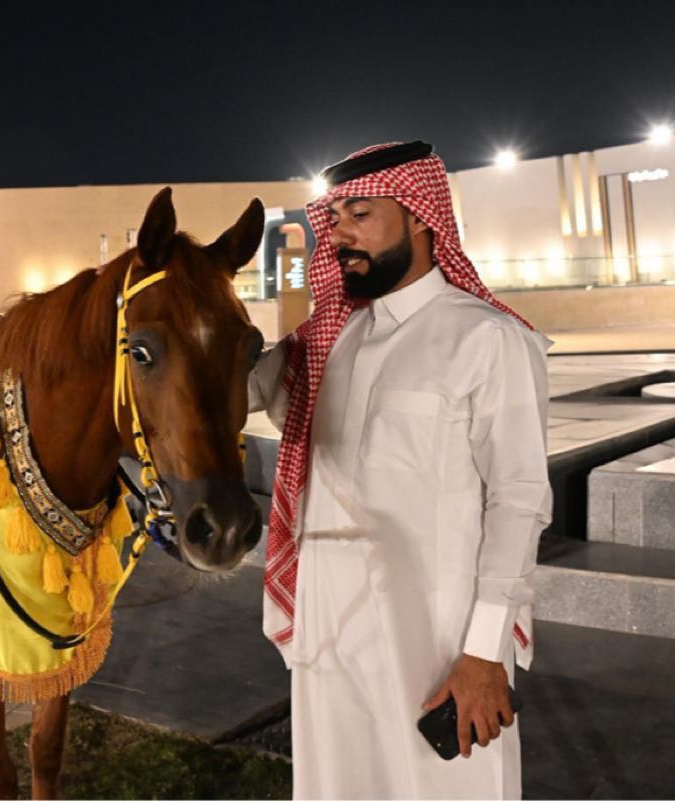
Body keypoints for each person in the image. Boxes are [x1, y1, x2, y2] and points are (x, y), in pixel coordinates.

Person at [249, 141, 552, 799]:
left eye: (360, 214)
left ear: (420, 215)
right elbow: (228, 391)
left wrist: (482, 652)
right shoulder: (328, 339)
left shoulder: (486, 338)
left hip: (437, 644)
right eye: (334, 219)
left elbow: (519, 497)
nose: (340, 235)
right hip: (329, 640)